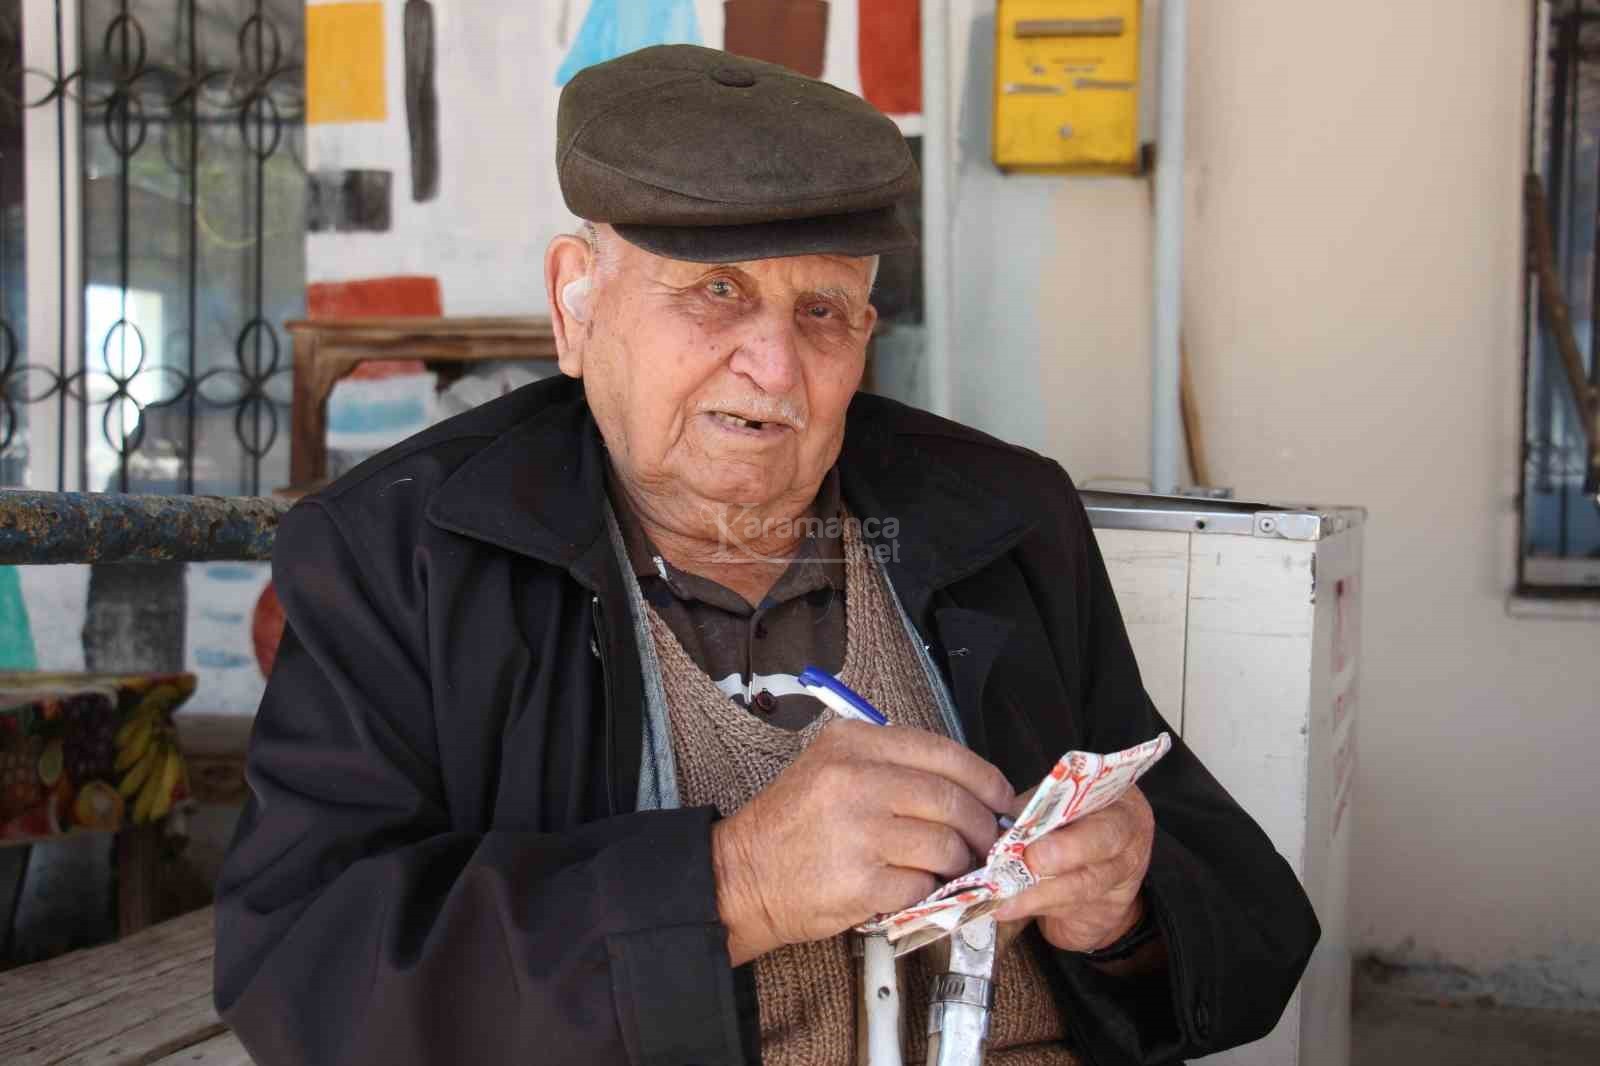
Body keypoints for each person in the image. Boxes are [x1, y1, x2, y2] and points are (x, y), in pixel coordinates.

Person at [215, 44, 1317, 1066]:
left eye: (822, 310)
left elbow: (1255, 929)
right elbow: (303, 976)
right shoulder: (406, 553)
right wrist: (731, 885)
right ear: (576, 304)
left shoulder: (1003, 516)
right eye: (717, 293)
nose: (775, 369)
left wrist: (1125, 909)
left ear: (865, 337)